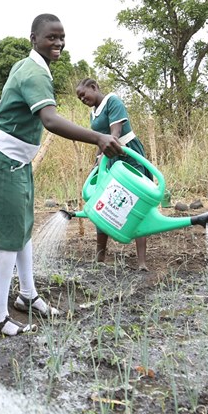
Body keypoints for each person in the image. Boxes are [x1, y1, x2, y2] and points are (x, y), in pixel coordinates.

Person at [0, 14, 123, 337]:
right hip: (4, 160)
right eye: (51, 37)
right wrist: (99, 138)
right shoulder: (34, 72)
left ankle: (28, 295)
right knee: (9, 236)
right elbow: (49, 120)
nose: (58, 43)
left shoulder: (31, 67)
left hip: (15, 161)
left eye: (62, 37)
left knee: (22, 229)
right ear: (34, 38)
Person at [76, 77, 150, 271]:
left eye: (84, 95)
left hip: (128, 153)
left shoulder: (112, 101)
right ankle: (100, 258)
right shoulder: (93, 113)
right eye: (80, 98)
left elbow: (114, 133)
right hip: (110, 158)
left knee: (136, 201)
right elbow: (100, 141)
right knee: (104, 201)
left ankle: (141, 262)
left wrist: (104, 154)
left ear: (94, 87)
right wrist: (97, 159)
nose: (83, 100)